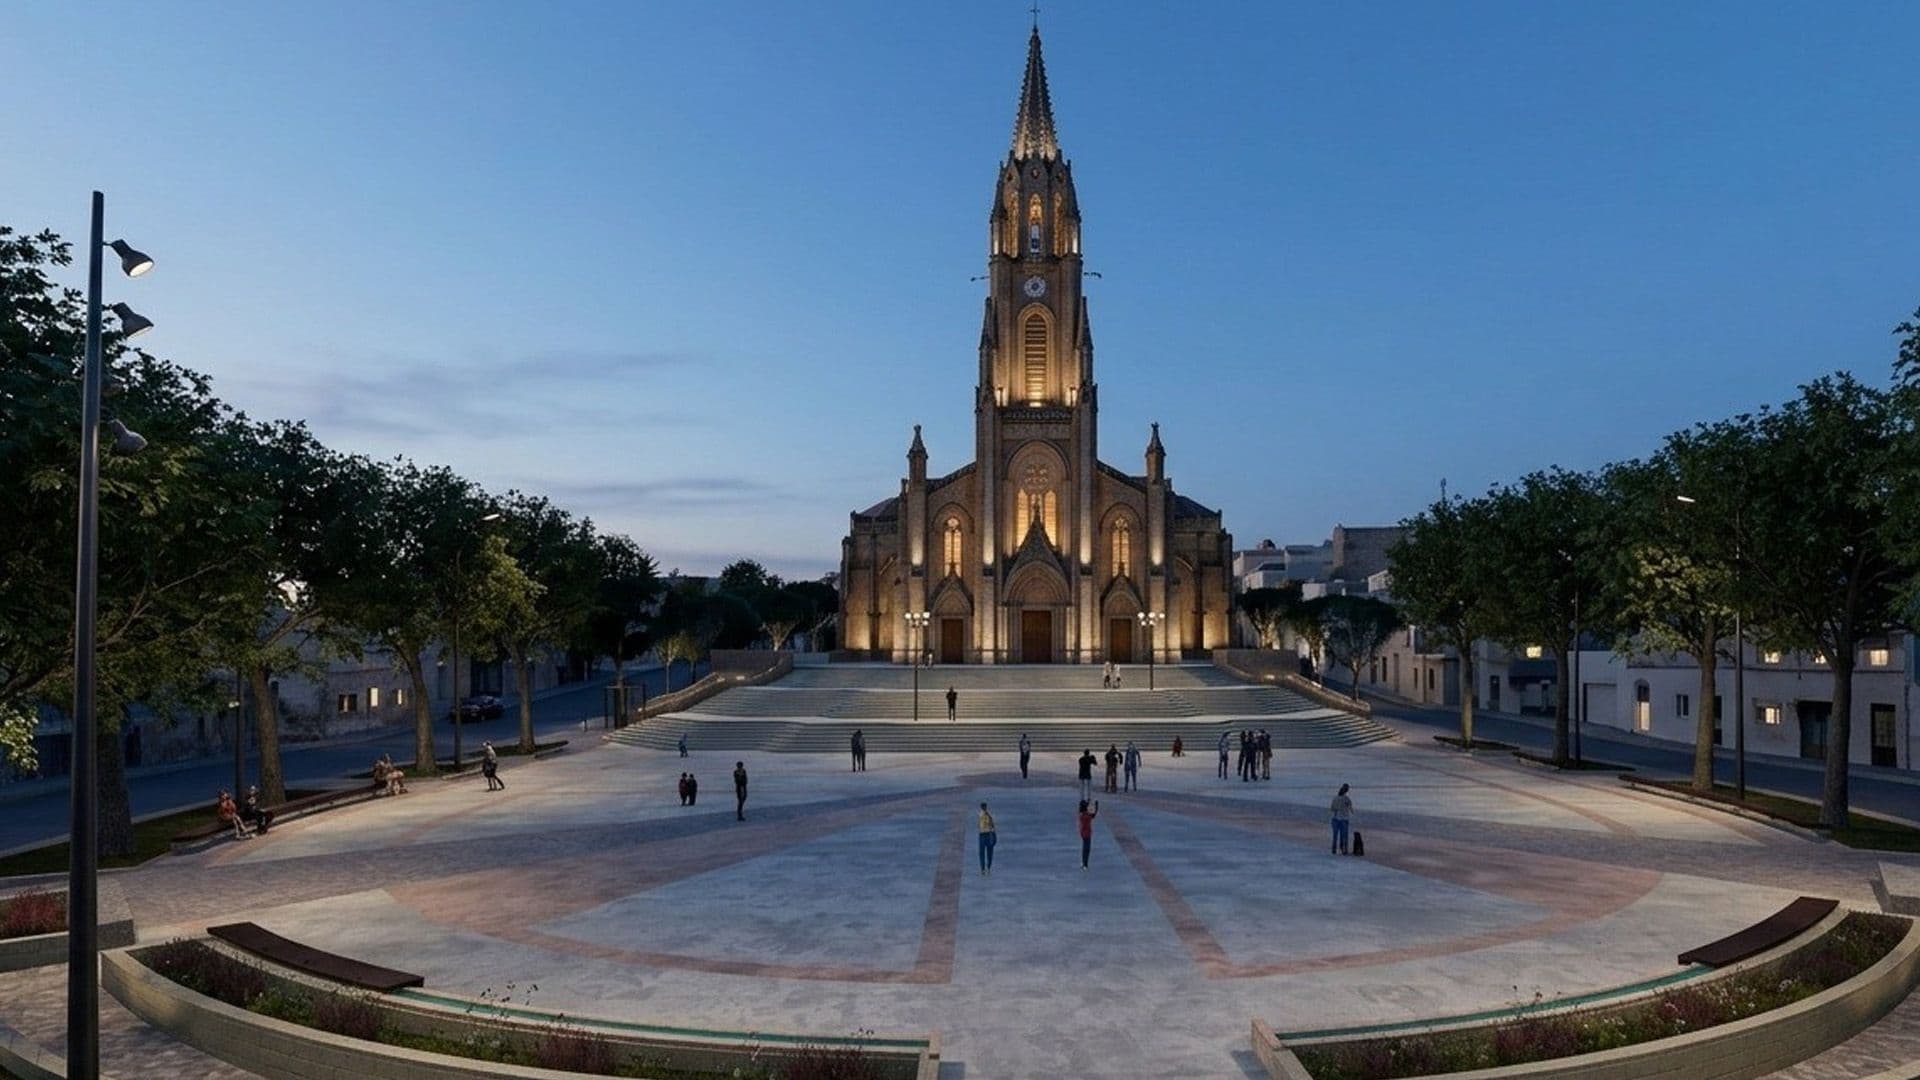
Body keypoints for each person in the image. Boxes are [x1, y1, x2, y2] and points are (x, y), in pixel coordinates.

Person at [1330, 783, 1354, 855]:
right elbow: (1351, 809)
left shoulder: (1335, 798)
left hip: (1335, 818)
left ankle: (1334, 850)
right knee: (1344, 836)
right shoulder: (1347, 799)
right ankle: (1344, 850)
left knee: (1335, 836)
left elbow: (1332, 808)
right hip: (1344, 819)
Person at [1077, 799, 1100, 869]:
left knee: (1085, 848)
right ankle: (1085, 864)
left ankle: (1083, 862)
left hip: (1083, 833)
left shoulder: (1082, 814)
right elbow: (1093, 815)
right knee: (1087, 849)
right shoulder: (1086, 816)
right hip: (1087, 833)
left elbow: (1092, 814)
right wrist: (1096, 806)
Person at [978, 801, 997, 875]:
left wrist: (994, 835)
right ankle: (983, 869)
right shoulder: (980, 814)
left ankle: (988, 867)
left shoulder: (989, 815)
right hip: (983, 834)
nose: (983, 808)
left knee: (989, 852)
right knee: (982, 853)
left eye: (984, 807)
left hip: (988, 834)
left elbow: (992, 825)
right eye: (983, 807)